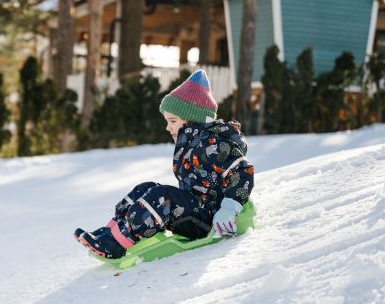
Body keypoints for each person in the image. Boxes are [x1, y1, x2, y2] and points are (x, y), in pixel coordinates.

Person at [74, 69, 254, 259]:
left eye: (173, 121)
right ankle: (111, 233)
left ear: (192, 120)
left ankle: (116, 243)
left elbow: (243, 171)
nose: (168, 127)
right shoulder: (193, 141)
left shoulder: (215, 144)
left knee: (162, 197)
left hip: (210, 217)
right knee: (146, 188)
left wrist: (228, 209)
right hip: (196, 208)